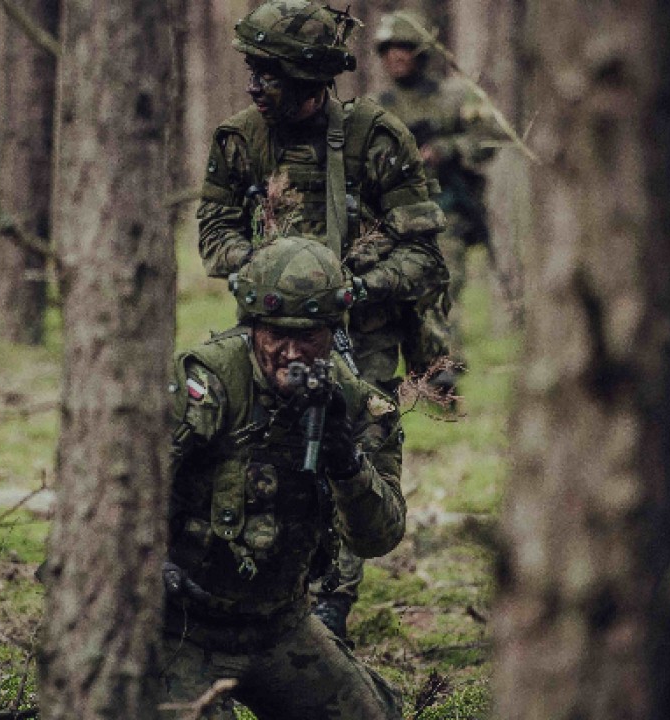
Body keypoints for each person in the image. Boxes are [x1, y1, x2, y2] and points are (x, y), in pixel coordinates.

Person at [196, 0, 448, 638]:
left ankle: (332, 608)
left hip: (360, 342)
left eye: (269, 73)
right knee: (266, 461)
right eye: (252, 70)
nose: (255, 85)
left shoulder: (376, 138)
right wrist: (266, 274)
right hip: (266, 335)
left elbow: (425, 256)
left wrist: (354, 290)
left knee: (350, 459)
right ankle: (275, 593)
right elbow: (215, 232)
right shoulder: (239, 139)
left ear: (310, 79)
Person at [161, 235, 405, 720]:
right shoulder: (209, 384)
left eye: (309, 336)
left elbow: (380, 537)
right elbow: (123, 495)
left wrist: (346, 462)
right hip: (184, 627)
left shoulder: (355, 404)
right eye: (276, 334)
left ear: (334, 333)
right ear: (252, 326)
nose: (291, 352)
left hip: (280, 624)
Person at [374, 11, 506, 387]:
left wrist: (448, 149)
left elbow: (493, 136)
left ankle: (444, 370)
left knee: (443, 289)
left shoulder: (456, 96)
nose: (397, 56)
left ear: (421, 53)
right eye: (389, 49)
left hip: (447, 212)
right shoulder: (375, 107)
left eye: (405, 48)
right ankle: (416, 368)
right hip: (393, 219)